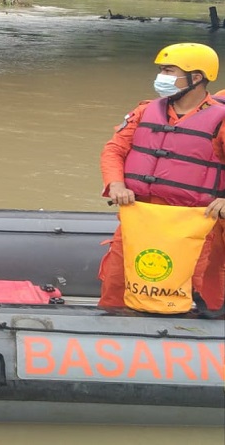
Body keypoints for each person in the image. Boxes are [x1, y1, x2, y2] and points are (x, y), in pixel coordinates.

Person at [98, 42, 225, 313]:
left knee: (192, 286)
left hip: (192, 221)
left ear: (196, 77)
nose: (161, 77)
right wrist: (116, 183)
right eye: (161, 70)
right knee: (117, 281)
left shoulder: (221, 119)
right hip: (140, 214)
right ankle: (113, 323)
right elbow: (114, 149)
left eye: (169, 71)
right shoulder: (145, 111)